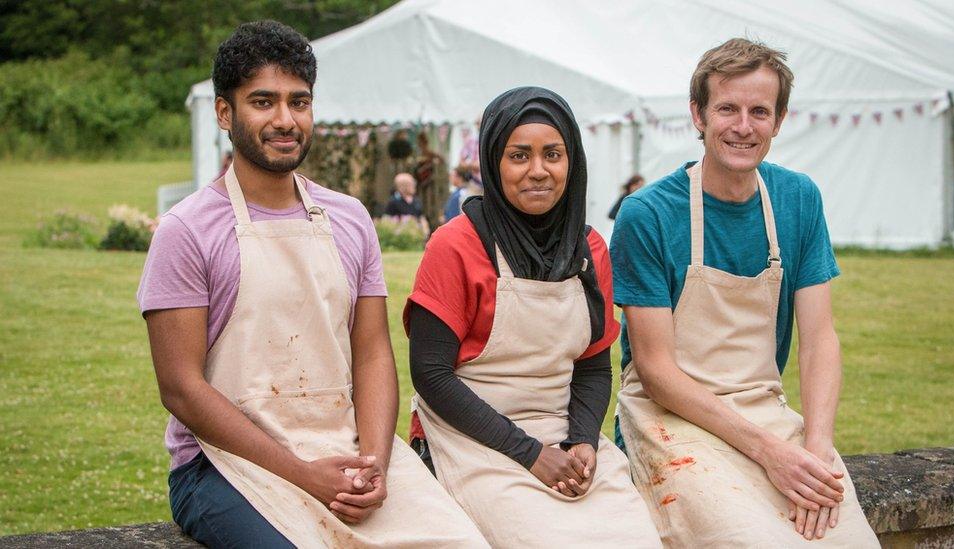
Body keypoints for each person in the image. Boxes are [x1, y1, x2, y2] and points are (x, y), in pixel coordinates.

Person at [137, 20, 486, 548]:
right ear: (224, 113)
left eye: (299, 102)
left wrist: (374, 465)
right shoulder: (188, 231)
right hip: (222, 468)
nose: (285, 120)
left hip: (342, 447)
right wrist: (304, 476)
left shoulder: (349, 219)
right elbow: (182, 389)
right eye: (263, 102)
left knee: (462, 542)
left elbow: (371, 354)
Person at [611, 38, 879, 547]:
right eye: (727, 108)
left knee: (848, 540)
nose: (743, 126)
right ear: (698, 115)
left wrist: (816, 448)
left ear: (779, 120)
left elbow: (820, 338)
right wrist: (768, 453)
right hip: (669, 422)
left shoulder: (798, 198)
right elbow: (657, 372)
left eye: (760, 111)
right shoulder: (647, 213)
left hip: (763, 408)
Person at [405, 86, 662, 548]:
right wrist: (531, 456)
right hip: (471, 436)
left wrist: (583, 441)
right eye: (519, 155)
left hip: (562, 432)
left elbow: (591, 363)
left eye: (553, 154)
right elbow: (430, 373)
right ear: (492, 163)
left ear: (573, 162)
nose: (538, 171)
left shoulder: (589, 250)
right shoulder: (456, 245)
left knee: (635, 537)